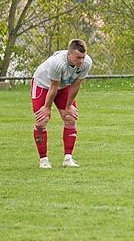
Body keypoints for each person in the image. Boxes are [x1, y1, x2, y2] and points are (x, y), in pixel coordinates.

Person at [31, 39, 92, 169]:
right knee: (42, 120)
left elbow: (76, 85)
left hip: (63, 86)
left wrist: (69, 106)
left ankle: (68, 158)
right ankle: (43, 160)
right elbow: (53, 87)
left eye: (83, 57)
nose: (81, 61)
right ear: (69, 55)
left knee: (70, 117)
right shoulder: (57, 62)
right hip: (43, 85)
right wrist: (47, 108)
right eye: (78, 57)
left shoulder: (87, 63)